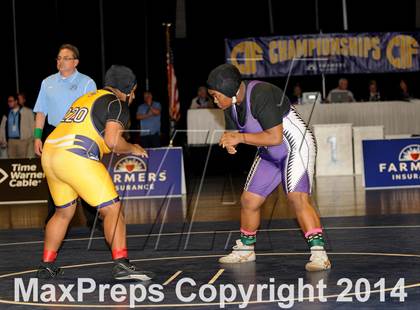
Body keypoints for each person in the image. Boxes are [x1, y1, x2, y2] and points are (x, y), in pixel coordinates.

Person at [207, 64, 330, 271]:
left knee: (296, 197)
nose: (214, 100)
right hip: (270, 152)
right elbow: (234, 133)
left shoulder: (261, 93)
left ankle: (320, 255)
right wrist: (230, 141)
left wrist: (240, 138)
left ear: (229, 90)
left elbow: (275, 136)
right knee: (249, 200)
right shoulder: (230, 106)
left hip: (296, 147)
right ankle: (246, 249)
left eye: (216, 95)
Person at [37, 65, 154, 281]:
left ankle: (47, 264)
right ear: (126, 89)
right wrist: (132, 148)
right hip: (76, 154)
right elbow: (113, 142)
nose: (134, 95)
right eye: (134, 91)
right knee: (113, 209)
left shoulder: (85, 98)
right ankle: (121, 263)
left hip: (51, 152)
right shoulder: (117, 103)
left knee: (63, 212)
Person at [33, 44, 98, 227]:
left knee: (84, 175)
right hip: (54, 134)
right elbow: (40, 113)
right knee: (54, 176)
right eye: (59, 58)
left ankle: (94, 219)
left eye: (65, 58)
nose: (61, 61)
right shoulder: (47, 83)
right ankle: (52, 220)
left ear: (75, 62)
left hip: (79, 133)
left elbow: (92, 112)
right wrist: (37, 137)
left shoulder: (87, 83)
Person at [0, 94, 35, 158]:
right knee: (11, 162)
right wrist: (2, 139)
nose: (9, 103)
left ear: (16, 101)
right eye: (8, 101)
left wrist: (33, 139)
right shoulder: (7, 113)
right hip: (11, 141)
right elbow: (2, 127)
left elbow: (33, 126)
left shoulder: (27, 111)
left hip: (23, 141)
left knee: (22, 161)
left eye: (11, 101)